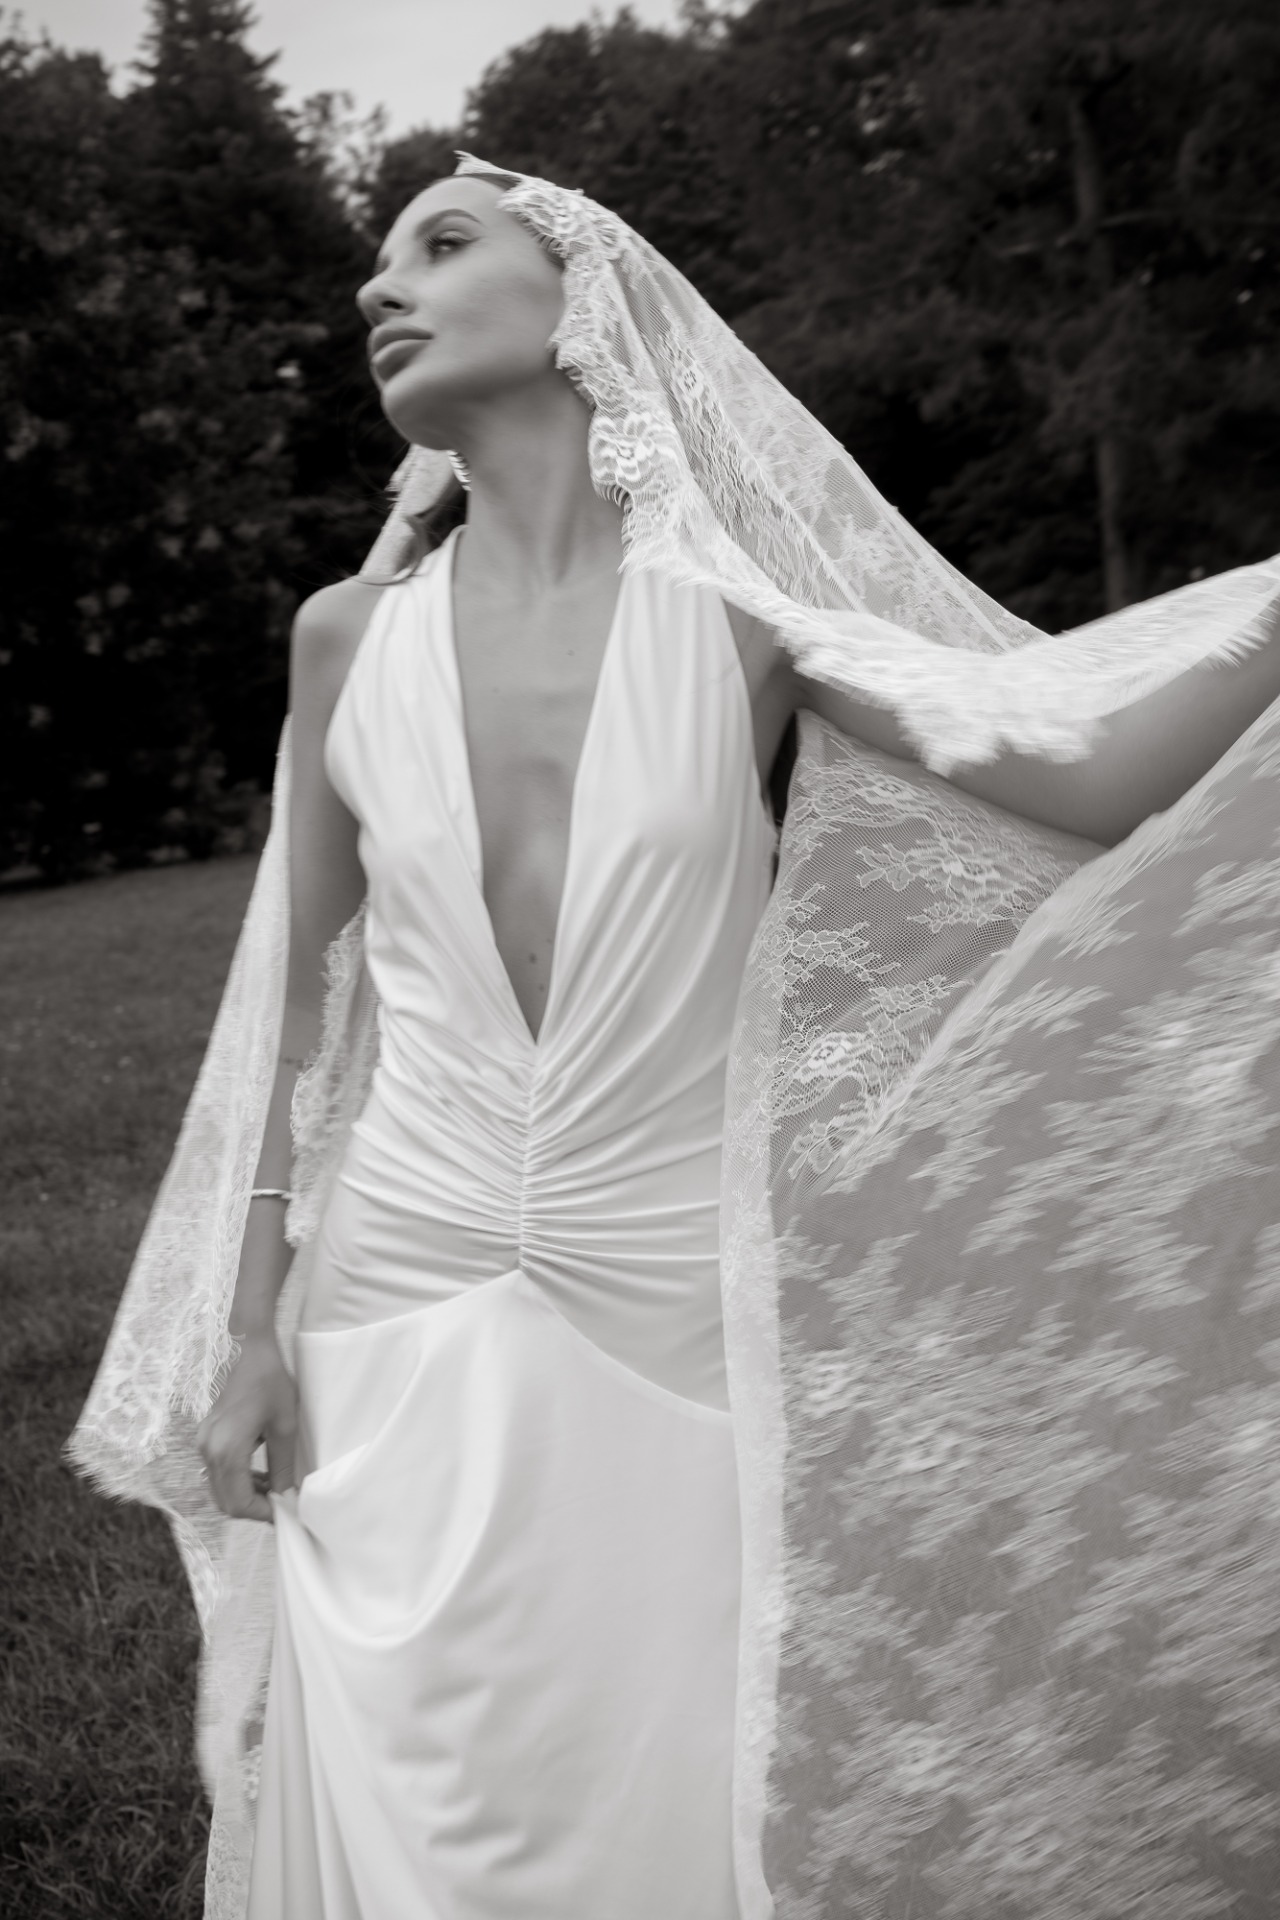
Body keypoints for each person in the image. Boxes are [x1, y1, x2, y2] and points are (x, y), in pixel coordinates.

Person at [72, 158, 1280, 1920]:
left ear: (588, 301)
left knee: (672, 1763)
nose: (377, 289)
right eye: (378, 263)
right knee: (408, 1772)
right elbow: (302, 1011)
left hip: (675, 1283)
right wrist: (251, 1328)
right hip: (390, 1282)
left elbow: (1089, 774)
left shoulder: (735, 612)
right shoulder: (344, 638)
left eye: (441, 243)